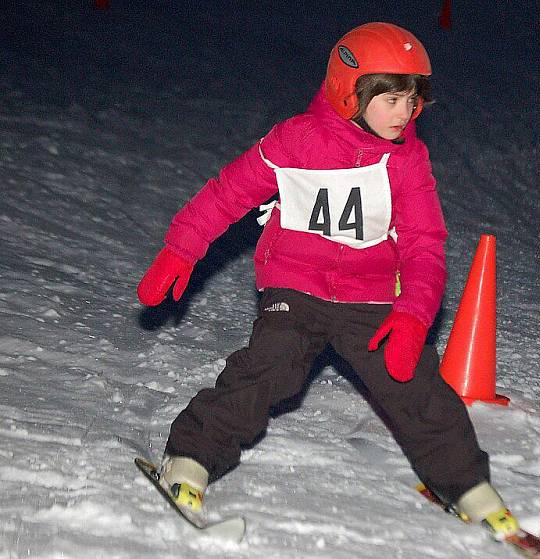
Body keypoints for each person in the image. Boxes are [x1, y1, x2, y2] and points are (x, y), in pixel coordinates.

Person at [137, 22, 519, 537]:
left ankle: (470, 488)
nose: (404, 114)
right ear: (348, 93)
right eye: (390, 100)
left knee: (415, 386)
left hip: (372, 296)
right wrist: (180, 249)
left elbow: (423, 242)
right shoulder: (295, 140)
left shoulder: (407, 161)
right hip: (295, 286)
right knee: (272, 367)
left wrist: (412, 313)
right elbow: (228, 193)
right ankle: (190, 461)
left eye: (412, 101)